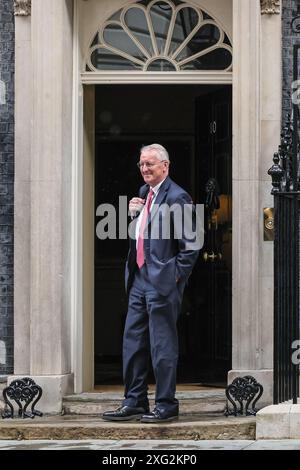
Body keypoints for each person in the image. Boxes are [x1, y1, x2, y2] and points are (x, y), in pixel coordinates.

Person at [102, 144, 200, 423]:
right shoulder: (145, 193)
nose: (145, 169)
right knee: (132, 342)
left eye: (151, 164)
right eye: (142, 164)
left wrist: (175, 276)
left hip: (162, 281)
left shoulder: (178, 196)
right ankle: (134, 401)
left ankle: (166, 404)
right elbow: (142, 236)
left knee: (161, 345)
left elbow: (191, 246)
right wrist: (134, 216)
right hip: (139, 278)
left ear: (165, 166)